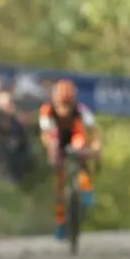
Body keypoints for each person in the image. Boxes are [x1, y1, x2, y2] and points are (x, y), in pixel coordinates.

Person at [38, 80, 101, 240]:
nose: (64, 109)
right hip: (57, 140)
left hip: (76, 139)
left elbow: (94, 131)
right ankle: (61, 223)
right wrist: (52, 153)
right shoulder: (47, 111)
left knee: (80, 148)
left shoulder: (80, 111)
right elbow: (47, 134)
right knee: (59, 186)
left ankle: (86, 189)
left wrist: (94, 149)